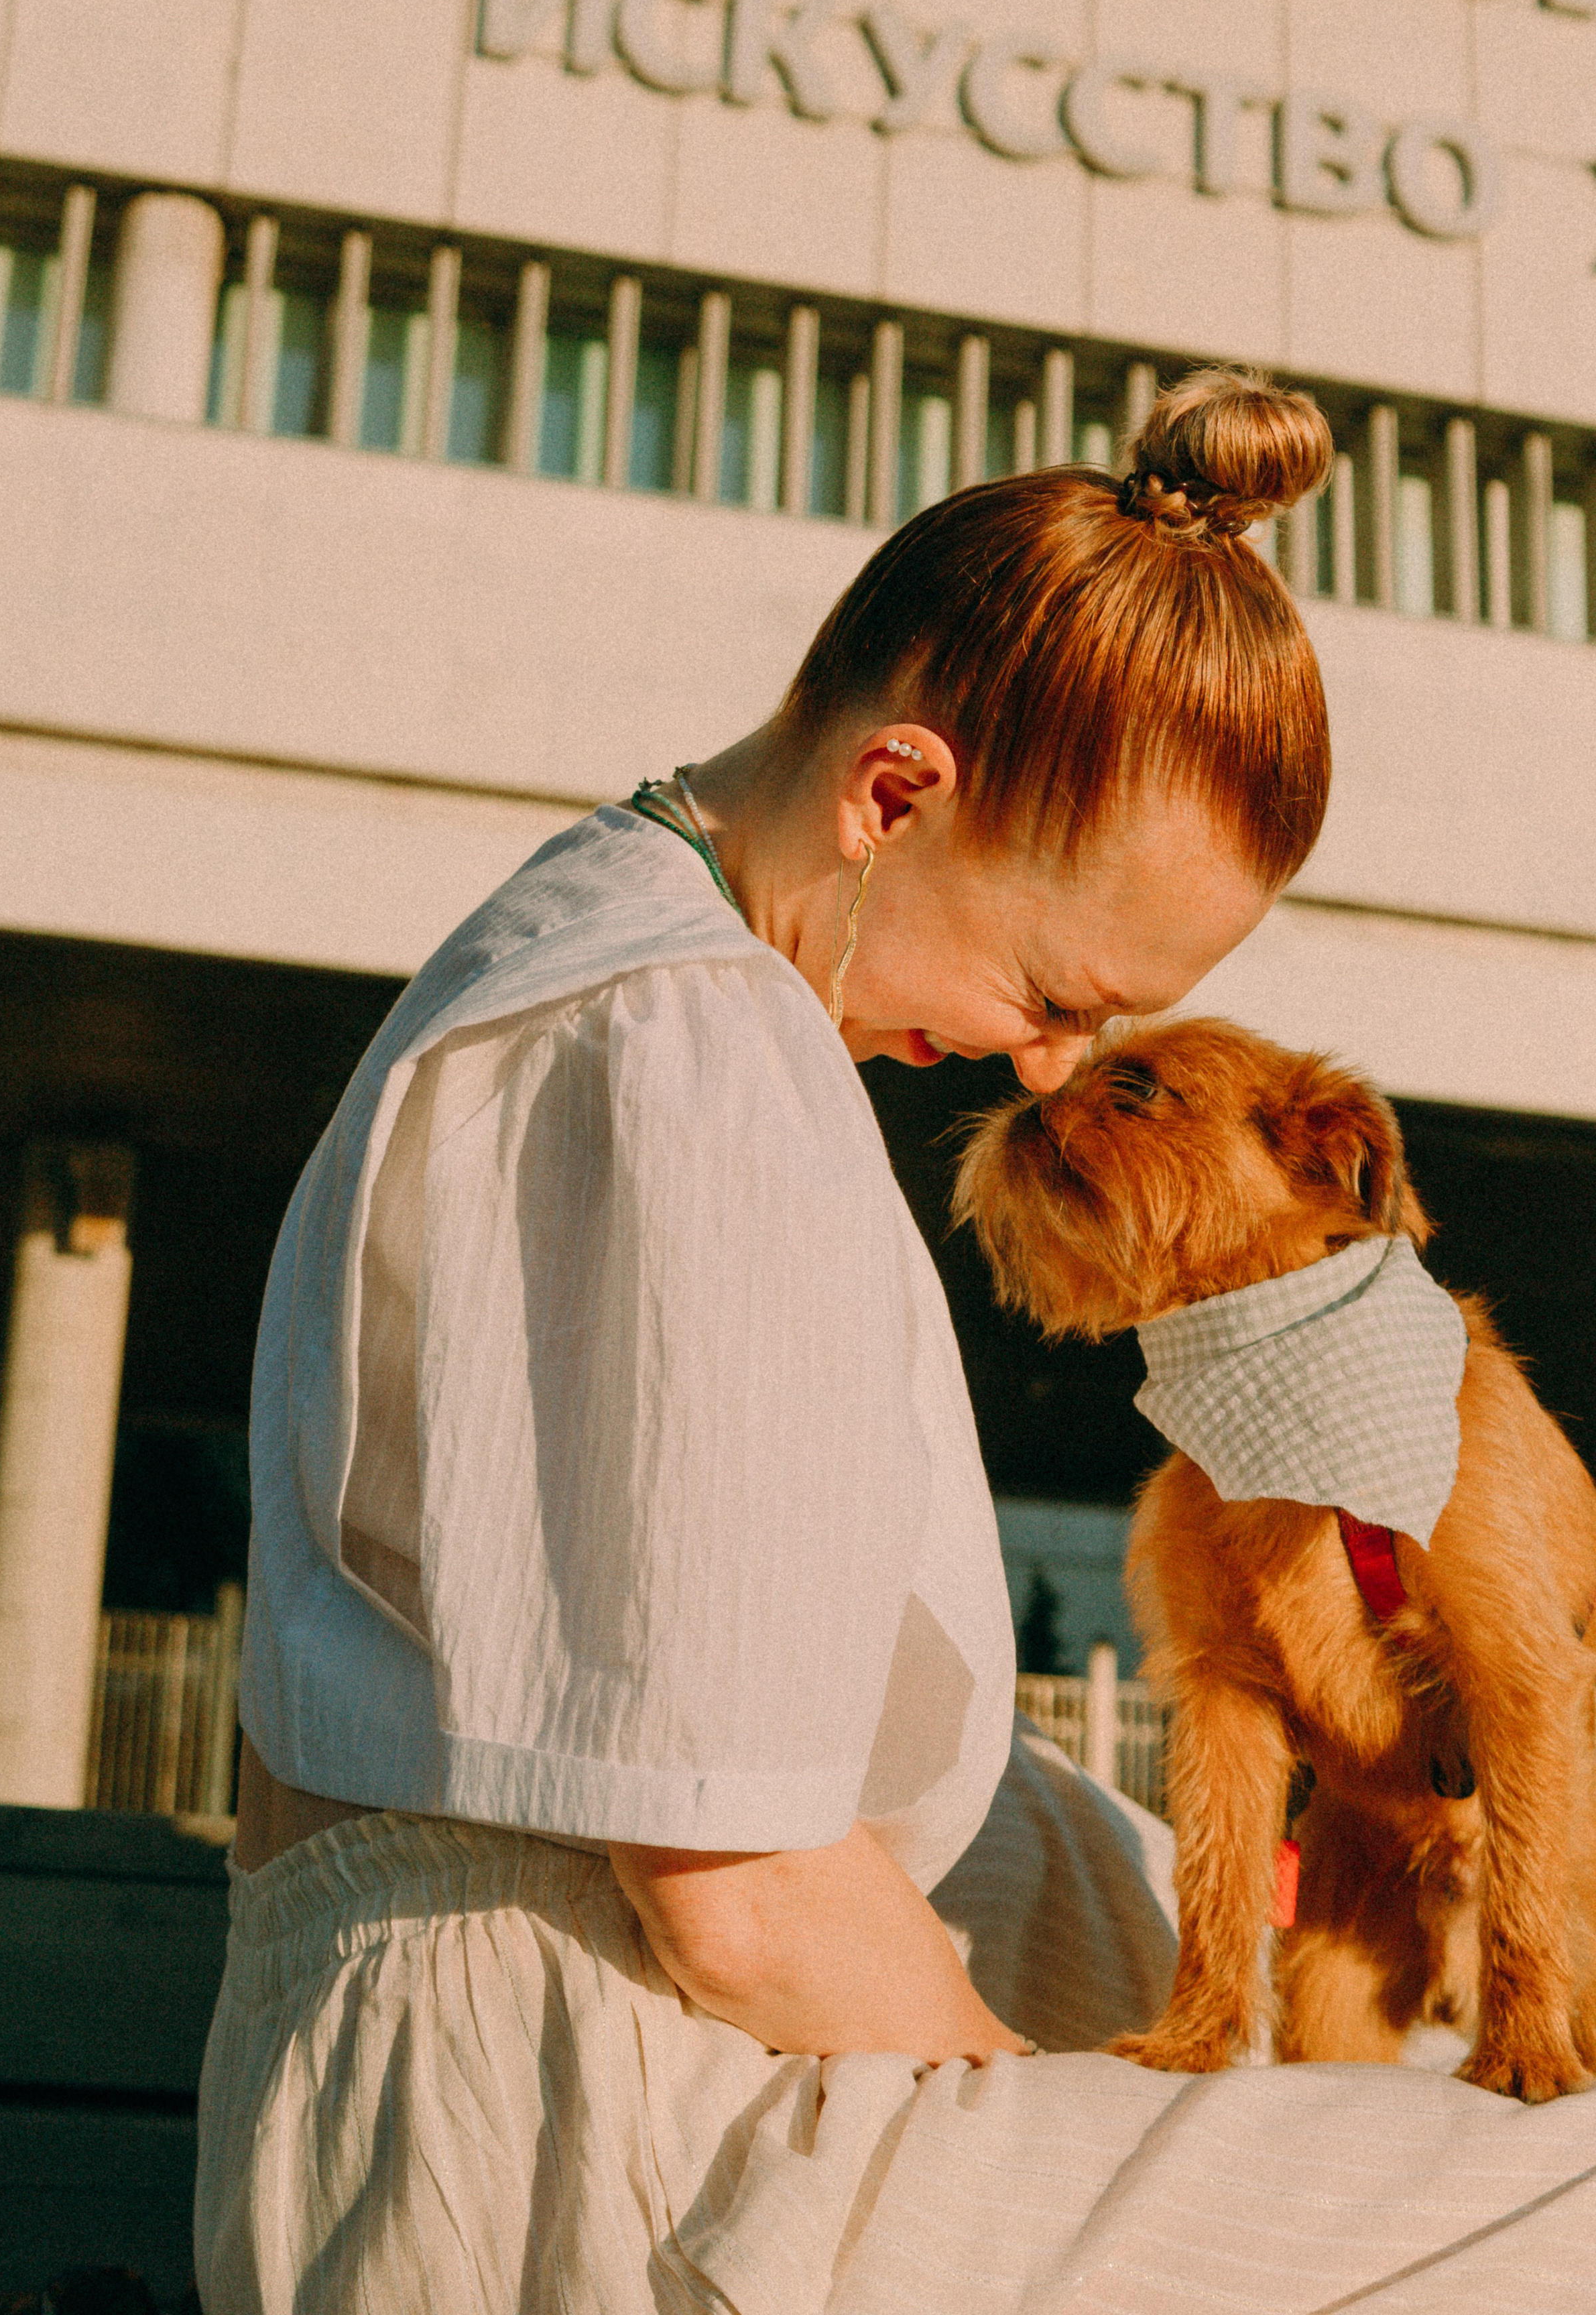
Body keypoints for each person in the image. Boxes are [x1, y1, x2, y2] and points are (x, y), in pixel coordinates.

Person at [194, 370, 1334, 2308]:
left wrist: (1206, 1904)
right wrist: (1070, 2143)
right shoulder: (687, 1048)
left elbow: (725, 1735)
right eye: (1057, 990)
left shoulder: (590, 961)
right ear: (896, 791)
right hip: (584, 2127)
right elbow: (736, 1893)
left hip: (515, 2086)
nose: (1048, 1066)